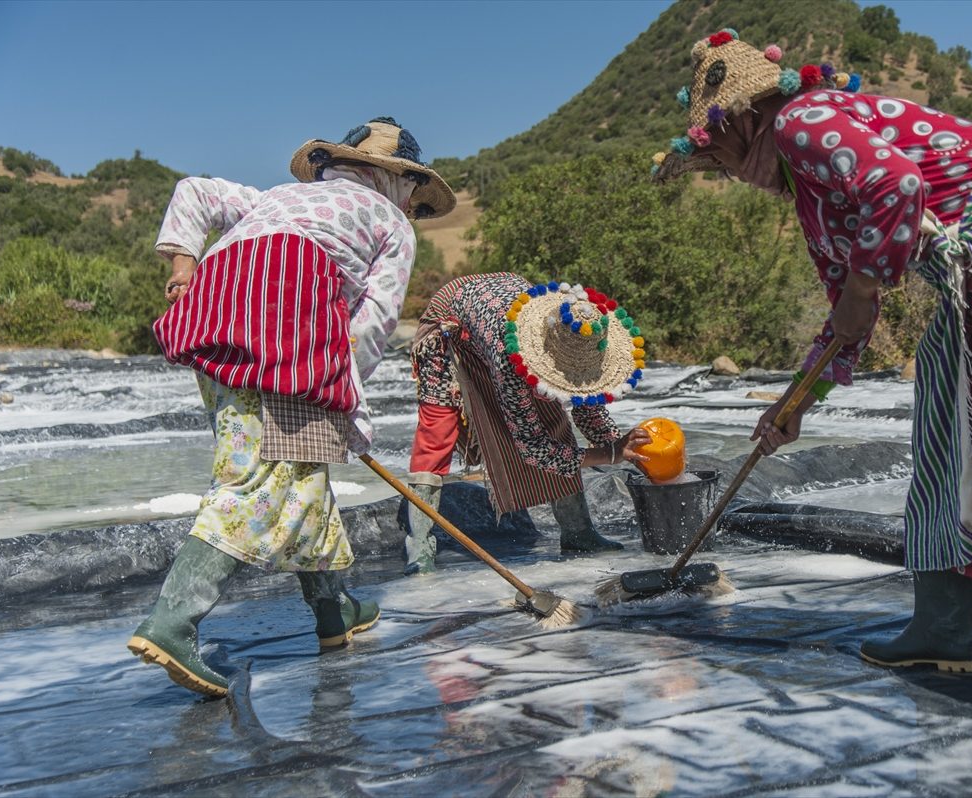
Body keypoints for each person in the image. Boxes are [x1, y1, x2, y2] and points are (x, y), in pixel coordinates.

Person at [654, 30, 972, 726]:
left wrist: (862, 286)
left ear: (748, 118)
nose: (718, 166)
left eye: (715, 146)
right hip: (968, 266)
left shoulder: (802, 120)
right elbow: (843, 324)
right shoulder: (812, 200)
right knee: (945, 421)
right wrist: (794, 404)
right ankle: (943, 631)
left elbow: (899, 185)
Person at [128, 118, 456, 697]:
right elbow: (374, 321)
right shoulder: (390, 224)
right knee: (260, 477)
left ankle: (334, 614)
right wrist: (344, 397)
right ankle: (172, 623)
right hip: (287, 331)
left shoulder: (280, 197)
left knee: (297, 466)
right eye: (411, 191)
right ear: (392, 178)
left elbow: (194, 191)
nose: (411, 204)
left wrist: (183, 264)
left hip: (211, 319)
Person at [403, 273, 652, 574]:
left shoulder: (581, 335)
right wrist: (610, 455)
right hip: (452, 324)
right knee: (438, 430)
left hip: (501, 307)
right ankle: (419, 547)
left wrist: (628, 448)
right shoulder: (511, 356)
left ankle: (578, 533)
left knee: (555, 421)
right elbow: (533, 448)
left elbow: (588, 409)